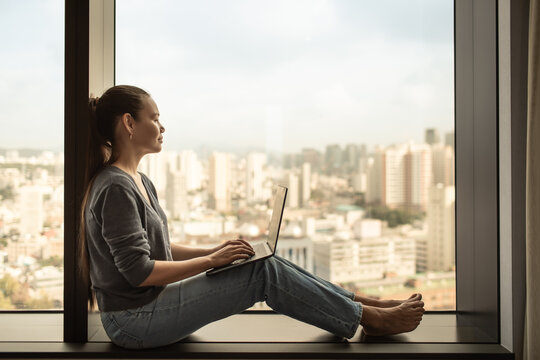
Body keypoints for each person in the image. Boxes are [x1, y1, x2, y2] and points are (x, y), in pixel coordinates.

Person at [80, 85, 425, 349]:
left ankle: (366, 304)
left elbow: (160, 249)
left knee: (263, 257)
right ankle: (369, 319)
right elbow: (139, 272)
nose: (161, 126)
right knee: (262, 272)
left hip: (148, 308)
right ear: (128, 123)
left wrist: (215, 252)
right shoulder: (116, 188)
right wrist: (213, 260)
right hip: (134, 321)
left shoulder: (138, 181)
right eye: (154, 118)